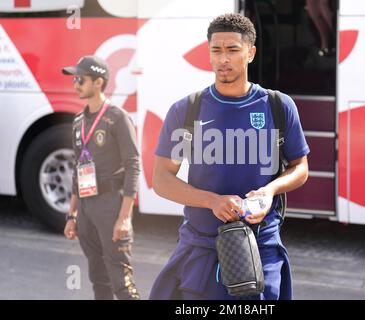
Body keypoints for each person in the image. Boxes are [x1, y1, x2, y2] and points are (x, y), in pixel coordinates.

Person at [149, 13, 309, 300]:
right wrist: (212, 201)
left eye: (233, 50)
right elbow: (161, 179)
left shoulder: (277, 106)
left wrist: (269, 191)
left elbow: (300, 168)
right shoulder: (187, 110)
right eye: (216, 50)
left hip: (261, 245)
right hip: (201, 246)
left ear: (250, 53)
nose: (223, 59)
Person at [62, 56, 140, 300]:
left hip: (111, 205)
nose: (75, 83)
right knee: (99, 280)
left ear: (98, 82)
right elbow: (77, 169)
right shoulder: (77, 122)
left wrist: (124, 218)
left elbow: (133, 165)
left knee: (122, 283)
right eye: (74, 78)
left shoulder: (118, 118)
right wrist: (72, 215)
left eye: (80, 79)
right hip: (86, 208)